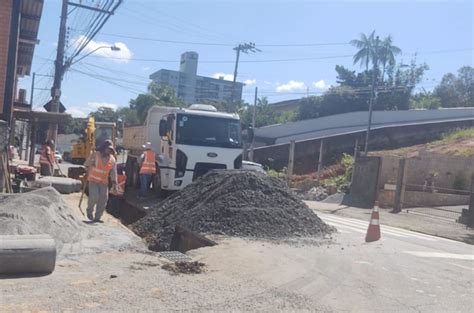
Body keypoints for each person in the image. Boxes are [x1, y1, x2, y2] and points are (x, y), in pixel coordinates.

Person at [84, 140, 118, 222]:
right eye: (107, 149)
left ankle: (97, 217)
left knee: (103, 199)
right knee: (94, 196)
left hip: (103, 182)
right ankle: (89, 211)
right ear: (103, 148)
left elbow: (114, 172)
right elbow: (86, 164)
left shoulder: (112, 160)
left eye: (110, 150)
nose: (108, 151)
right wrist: (90, 163)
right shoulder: (95, 155)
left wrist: (114, 184)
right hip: (93, 180)